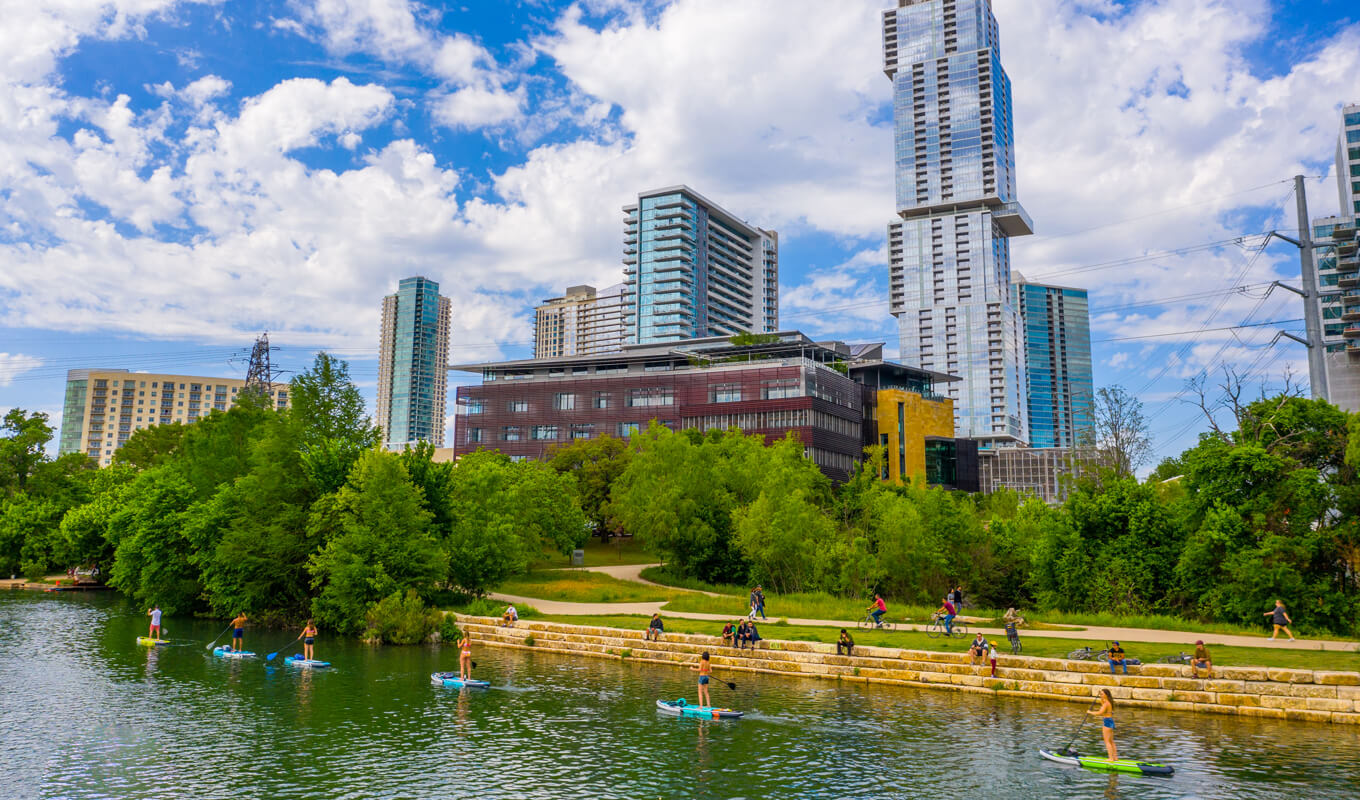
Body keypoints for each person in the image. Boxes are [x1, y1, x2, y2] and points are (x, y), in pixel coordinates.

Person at [1088, 689, 1117, 761]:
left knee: (1107, 741)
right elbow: (1102, 704)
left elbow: (1099, 713)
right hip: (1110, 721)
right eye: (1100, 694)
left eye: (1102, 694)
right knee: (1111, 741)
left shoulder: (1106, 704)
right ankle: (1115, 757)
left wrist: (1090, 712)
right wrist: (1100, 695)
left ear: (1106, 695)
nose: (1101, 695)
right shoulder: (1108, 702)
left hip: (1107, 722)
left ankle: (1110, 758)